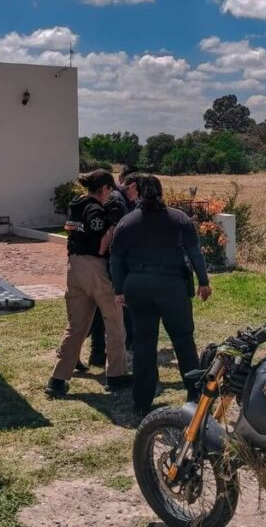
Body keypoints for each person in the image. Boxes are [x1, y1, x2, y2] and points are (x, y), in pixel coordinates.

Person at [109, 174, 212, 420]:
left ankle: (142, 402)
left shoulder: (127, 222)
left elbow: (116, 259)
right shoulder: (179, 219)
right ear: (161, 192)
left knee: (144, 344)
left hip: (138, 286)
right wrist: (204, 282)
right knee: (184, 341)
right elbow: (195, 253)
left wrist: (119, 289)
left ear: (138, 193)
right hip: (172, 287)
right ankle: (195, 396)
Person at [47, 169, 131, 397]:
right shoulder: (96, 211)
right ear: (104, 189)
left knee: (76, 327)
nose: (110, 196)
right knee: (114, 320)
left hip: (73, 267)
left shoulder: (76, 205)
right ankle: (116, 375)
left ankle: (58, 379)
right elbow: (102, 246)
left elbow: (73, 231)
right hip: (95, 267)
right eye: (109, 191)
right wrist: (113, 224)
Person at [83, 168, 138, 370]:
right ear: (131, 186)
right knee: (114, 310)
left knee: (100, 310)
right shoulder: (117, 200)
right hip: (111, 261)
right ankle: (112, 355)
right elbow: (114, 231)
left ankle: (98, 353)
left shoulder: (119, 199)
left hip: (108, 260)